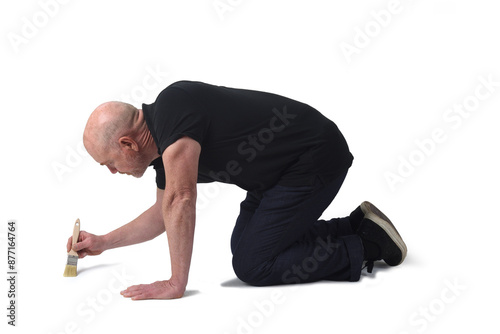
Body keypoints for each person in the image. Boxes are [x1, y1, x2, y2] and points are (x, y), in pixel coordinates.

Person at [67, 80, 407, 300]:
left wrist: (176, 282)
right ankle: (355, 225)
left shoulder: (174, 108)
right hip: (277, 176)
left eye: (108, 163)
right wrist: (103, 243)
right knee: (244, 247)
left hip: (312, 158)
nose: (113, 171)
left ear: (127, 143)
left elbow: (181, 199)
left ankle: (366, 245)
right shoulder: (164, 148)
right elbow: (162, 215)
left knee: (253, 265)